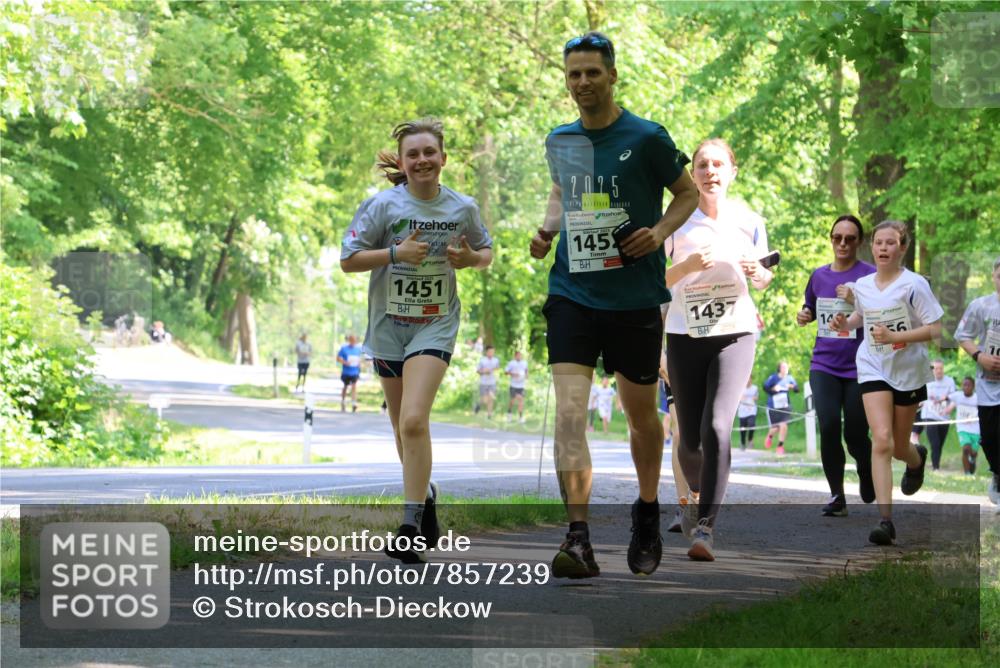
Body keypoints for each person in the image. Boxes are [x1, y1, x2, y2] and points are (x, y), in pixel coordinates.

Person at [529, 32, 699, 578]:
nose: (582, 83)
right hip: (572, 292)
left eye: (592, 73)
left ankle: (646, 511)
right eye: (573, 74)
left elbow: (688, 193)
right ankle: (578, 538)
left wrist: (659, 232)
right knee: (570, 413)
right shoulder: (560, 139)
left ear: (612, 75)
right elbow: (561, 192)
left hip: (633, 297)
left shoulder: (646, 137)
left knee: (641, 417)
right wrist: (547, 232)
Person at [340, 118, 493, 563]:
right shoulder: (382, 206)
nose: (422, 160)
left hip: (435, 323)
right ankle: (425, 496)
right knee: (400, 428)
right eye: (413, 154)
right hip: (389, 325)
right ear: (403, 163)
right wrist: (395, 253)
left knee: (412, 421)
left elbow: (485, 252)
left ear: (443, 158)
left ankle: (408, 526)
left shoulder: (462, 207)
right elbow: (348, 260)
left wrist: (469, 258)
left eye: (429, 152)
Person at [664, 137, 773, 561]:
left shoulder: (749, 221)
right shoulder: (675, 221)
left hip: (735, 332)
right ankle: (694, 491)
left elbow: (764, 277)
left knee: (718, 427)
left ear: (732, 172)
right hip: (684, 333)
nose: (710, 171)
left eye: (718, 165)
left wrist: (758, 273)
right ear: (692, 174)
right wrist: (688, 267)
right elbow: (657, 280)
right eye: (702, 165)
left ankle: (706, 528)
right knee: (689, 440)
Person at [830, 220, 943, 545]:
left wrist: (896, 337)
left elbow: (936, 329)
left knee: (899, 446)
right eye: (878, 242)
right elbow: (861, 317)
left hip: (907, 370)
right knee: (881, 440)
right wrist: (845, 323)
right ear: (872, 247)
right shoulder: (863, 285)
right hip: (872, 365)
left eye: (890, 243)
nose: (883, 248)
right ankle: (885, 521)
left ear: (902, 248)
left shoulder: (914, 284)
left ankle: (916, 459)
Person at [795, 214, 876, 516]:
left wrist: (856, 299)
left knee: (855, 434)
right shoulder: (819, 276)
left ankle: (866, 470)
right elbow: (810, 307)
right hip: (824, 364)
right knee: (828, 425)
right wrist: (804, 315)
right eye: (837, 238)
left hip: (860, 366)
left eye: (850, 238)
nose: (842, 243)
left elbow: (884, 311)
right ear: (831, 239)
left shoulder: (870, 275)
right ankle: (837, 496)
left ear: (859, 242)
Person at [954, 257, 1000, 503]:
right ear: (993, 277)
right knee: (990, 439)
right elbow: (963, 335)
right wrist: (980, 356)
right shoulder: (981, 306)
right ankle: (997, 473)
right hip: (988, 386)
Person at [919, 359, 957, 471]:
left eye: (941, 368)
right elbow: (920, 397)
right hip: (929, 415)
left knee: (940, 444)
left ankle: (936, 465)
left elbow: (955, 398)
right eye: (936, 369)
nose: (939, 371)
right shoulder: (926, 381)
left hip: (944, 417)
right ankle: (936, 468)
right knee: (935, 443)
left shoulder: (949, 381)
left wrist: (950, 408)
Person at [763, 362, 799, 455]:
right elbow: (765, 387)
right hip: (773, 406)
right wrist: (773, 389)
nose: (785, 369)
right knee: (776, 428)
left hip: (785, 406)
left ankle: (780, 446)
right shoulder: (773, 377)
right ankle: (770, 436)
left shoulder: (789, 378)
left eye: (786, 367)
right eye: (783, 367)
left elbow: (797, 389)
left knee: (784, 425)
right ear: (779, 369)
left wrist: (792, 386)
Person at [947, 377, 981, 475]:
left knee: (973, 452)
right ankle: (967, 473)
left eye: (968, 385)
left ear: (973, 387)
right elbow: (946, 397)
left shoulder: (977, 398)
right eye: (964, 385)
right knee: (966, 449)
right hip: (962, 428)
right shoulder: (958, 396)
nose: (966, 387)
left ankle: (972, 459)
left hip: (975, 429)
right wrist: (937, 400)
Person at [335, 334, 362, 409]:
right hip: (346, 372)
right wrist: (345, 362)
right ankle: (343, 400)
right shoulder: (344, 348)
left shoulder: (358, 349)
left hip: (355, 371)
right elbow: (338, 358)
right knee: (345, 386)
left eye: (355, 340)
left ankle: (354, 402)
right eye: (352, 340)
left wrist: (359, 363)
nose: (353, 341)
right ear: (349, 340)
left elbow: (359, 359)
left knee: (354, 386)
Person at [475, 345, 500, 419]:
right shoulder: (482, 360)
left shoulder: (496, 360)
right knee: (485, 400)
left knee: (491, 398)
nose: (491, 353)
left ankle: (489, 415)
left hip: (492, 382)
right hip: (483, 382)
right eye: (490, 352)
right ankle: (479, 405)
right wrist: (484, 371)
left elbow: (497, 368)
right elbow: (478, 371)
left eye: (493, 352)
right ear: (487, 352)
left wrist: (493, 370)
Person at [505, 350, 529, 423]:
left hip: (521, 386)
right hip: (513, 385)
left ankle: (520, 417)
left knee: (521, 400)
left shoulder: (524, 363)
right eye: (518, 355)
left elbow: (526, 370)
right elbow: (506, 372)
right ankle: (509, 413)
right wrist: (513, 374)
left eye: (520, 355)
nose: (519, 357)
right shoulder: (511, 363)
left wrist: (526, 375)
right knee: (512, 401)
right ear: (515, 356)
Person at [737, 377, 759, 450]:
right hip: (742, 411)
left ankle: (750, 439)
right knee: (743, 428)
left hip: (751, 410)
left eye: (749, 378)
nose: (747, 380)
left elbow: (756, 397)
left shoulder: (755, 388)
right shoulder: (740, 388)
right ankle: (742, 443)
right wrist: (740, 398)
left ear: (751, 379)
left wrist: (753, 398)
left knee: (752, 425)